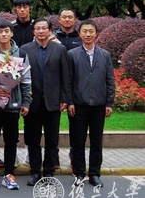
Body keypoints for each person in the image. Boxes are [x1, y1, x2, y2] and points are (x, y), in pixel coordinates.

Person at [0, 20, 31, 191]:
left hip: (13, 105)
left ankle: (9, 173)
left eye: (6, 31)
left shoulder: (21, 54)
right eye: (0, 31)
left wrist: (26, 102)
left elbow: (26, 80)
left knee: (11, 140)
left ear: (12, 33)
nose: (3, 34)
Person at [21, 18, 70, 186]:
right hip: (32, 101)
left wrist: (64, 98)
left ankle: (49, 171)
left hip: (53, 101)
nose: (41, 31)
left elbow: (65, 76)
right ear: (33, 31)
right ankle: (35, 171)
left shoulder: (59, 49)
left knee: (52, 139)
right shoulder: (25, 49)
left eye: (44, 28)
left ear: (50, 30)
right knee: (32, 139)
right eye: (37, 28)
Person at [67, 20, 115, 188]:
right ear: (79, 34)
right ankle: (79, 173)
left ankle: (94, 174)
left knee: (96, 142)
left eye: (91, 31)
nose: (88, 34)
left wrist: (109, 102)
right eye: (85, 31)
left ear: (96, 34)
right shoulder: (72, 54)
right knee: (78, 142)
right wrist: (70, 101)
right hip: (78, 105)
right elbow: (68, 81)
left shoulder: (105, 55)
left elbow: (110, 79)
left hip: (99, 105)